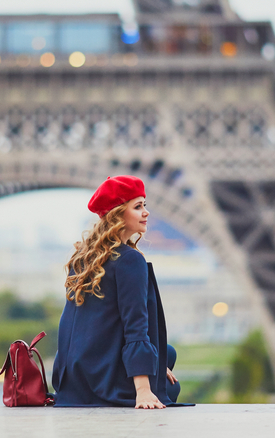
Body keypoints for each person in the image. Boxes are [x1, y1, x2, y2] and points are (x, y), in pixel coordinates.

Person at [51, 175, 185, 408]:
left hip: (76, 374)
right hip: (102, 381)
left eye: (145, 205)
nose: (146, 212)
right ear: (118, 214)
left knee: (166, 354)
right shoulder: (129, 260)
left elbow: (75, 325)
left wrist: (153, 362)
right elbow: (135, 326)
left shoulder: (83, 257)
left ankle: (146, 365)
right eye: (138, 206)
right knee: (172, 387)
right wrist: (143, 390)